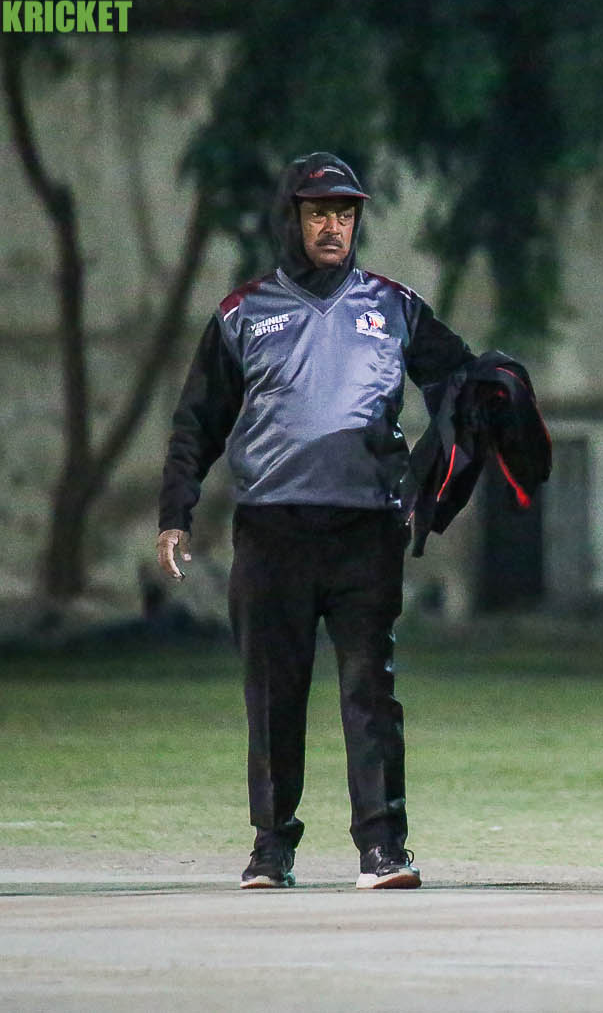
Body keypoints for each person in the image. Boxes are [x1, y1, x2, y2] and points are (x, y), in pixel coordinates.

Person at [156, 152, 473, 891]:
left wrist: (440, 461)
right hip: (273, 530)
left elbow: (460, 378)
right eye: (318, 212)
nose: (333, 226)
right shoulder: (243, 313)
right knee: (274, 695)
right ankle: (272, 849)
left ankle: (383, 849)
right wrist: (175, 513)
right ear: (290, 218)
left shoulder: (394, 305)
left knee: (371, 692)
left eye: (345, 214)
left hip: (366, 530)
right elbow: (197, 422)